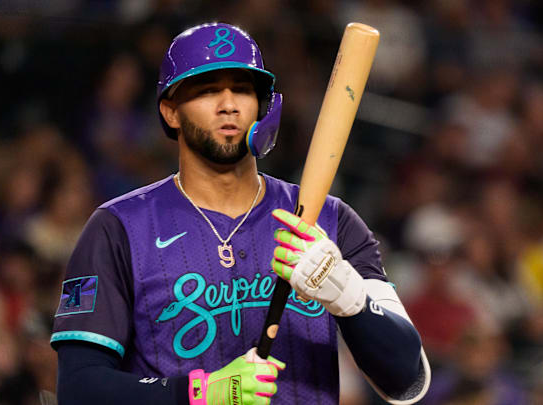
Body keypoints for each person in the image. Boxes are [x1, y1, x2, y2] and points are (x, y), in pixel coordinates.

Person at [51, 22, 430, 405]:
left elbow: (406, 377)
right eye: (208, 90)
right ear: (171, 112)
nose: (229, 104)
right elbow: (79, 389)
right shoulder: (119, 227)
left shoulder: (331, 222)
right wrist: (200, 393)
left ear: (263, 106)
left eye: (243, 90)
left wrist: (347, 297)